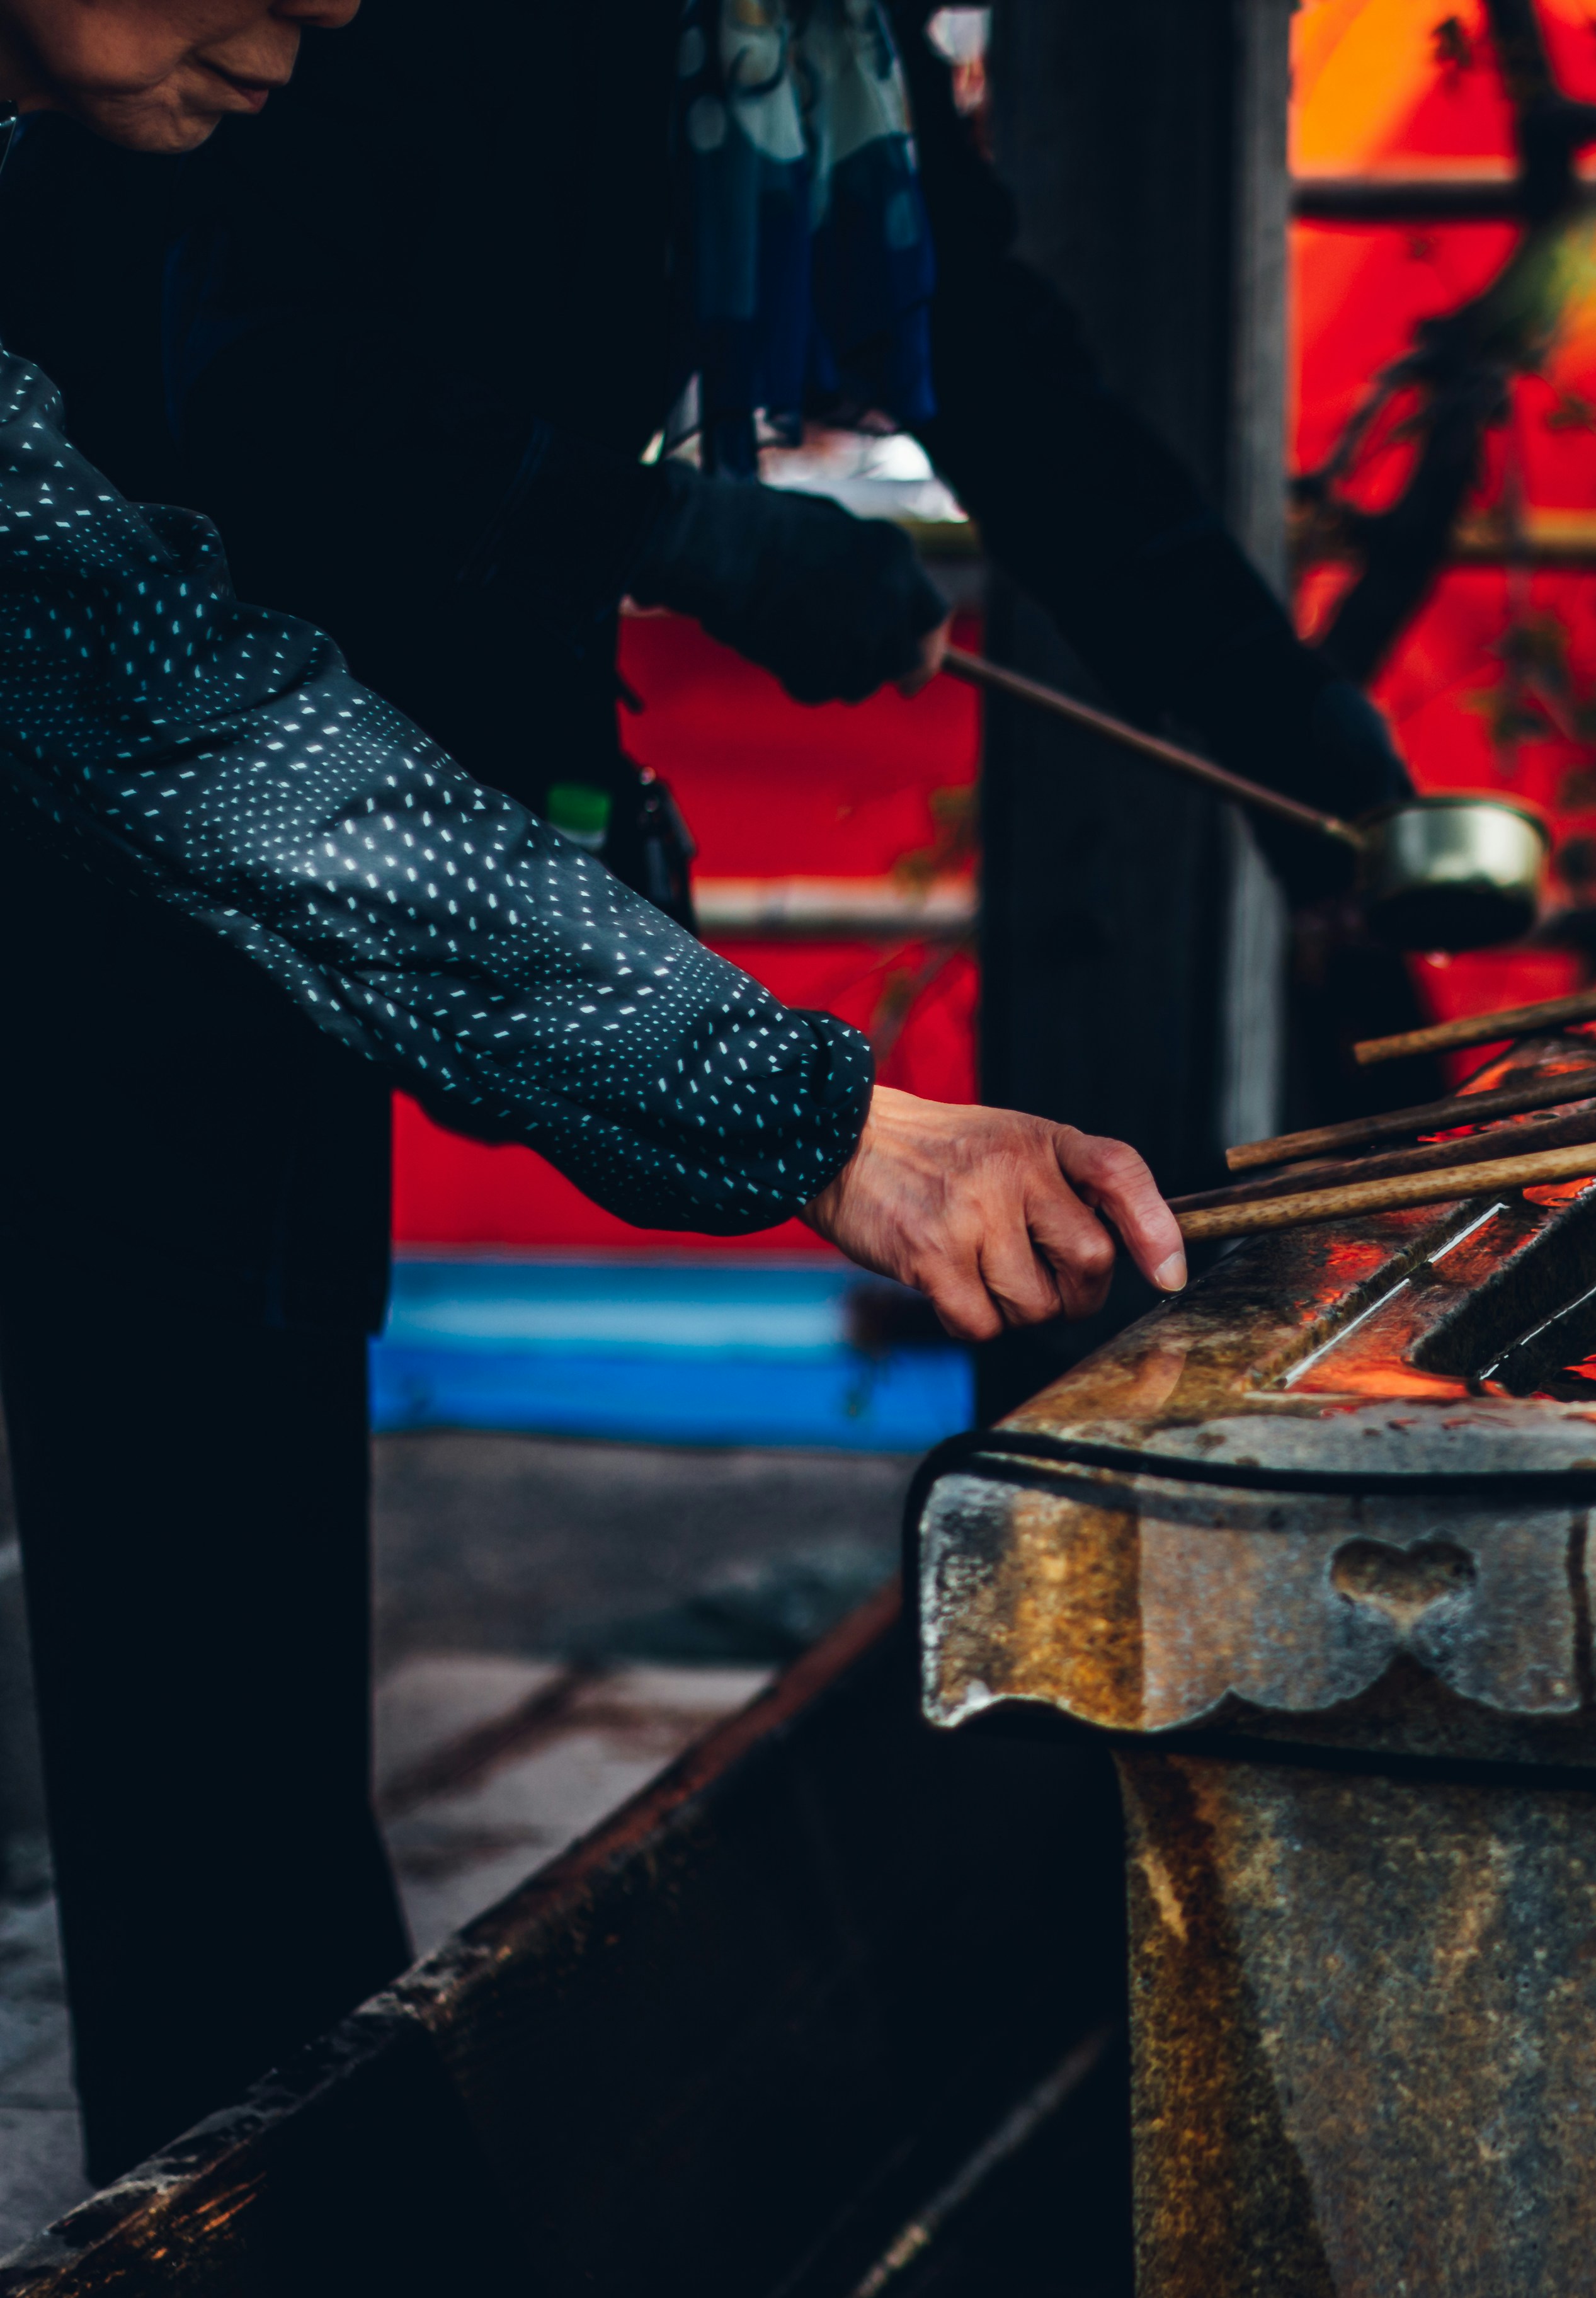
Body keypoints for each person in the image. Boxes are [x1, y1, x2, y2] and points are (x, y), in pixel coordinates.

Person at [0, 0, 1204, 2176]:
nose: (331, 19)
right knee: (194, 1699)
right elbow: (178, 695)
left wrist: (1325, 775)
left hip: (313, 884)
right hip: (155, 942)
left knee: (233, 1729)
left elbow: (161, 689)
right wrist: (818, 1115)